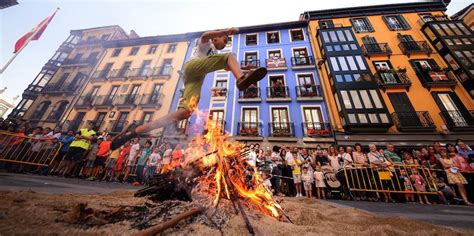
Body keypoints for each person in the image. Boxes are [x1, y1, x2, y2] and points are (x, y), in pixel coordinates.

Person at [110, 27, 268, 150]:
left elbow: (227, 65)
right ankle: (240, 80)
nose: (225, 42)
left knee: (185, 112)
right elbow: (206, 35)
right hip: (192, 68)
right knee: (229, 56)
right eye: (225, 39)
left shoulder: (214, 53)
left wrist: (245, 67)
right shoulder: (208, 43)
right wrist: (226, 30)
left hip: (194, 78)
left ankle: (135, 131)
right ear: (216, 37)